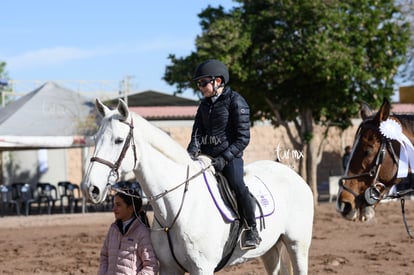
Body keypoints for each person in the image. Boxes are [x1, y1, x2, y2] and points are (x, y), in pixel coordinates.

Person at [187, 59, 261, 249]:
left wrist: (224, 158)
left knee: (237, 185)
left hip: (229, 157)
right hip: (206, 157)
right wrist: (192, 152)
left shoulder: (236, 101)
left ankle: (251, 228)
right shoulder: (204, 105)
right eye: (198, 84)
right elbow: (197, 133)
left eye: (203, 83)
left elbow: (243, 138)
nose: (200, 87)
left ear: (218, 81)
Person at [98, 190, 158, 275]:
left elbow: (151, 266)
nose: (114, 209)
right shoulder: (113, 229)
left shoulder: (142, 232)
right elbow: (104, 256)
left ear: (130, 208)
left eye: (118, 205)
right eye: (114, 204)